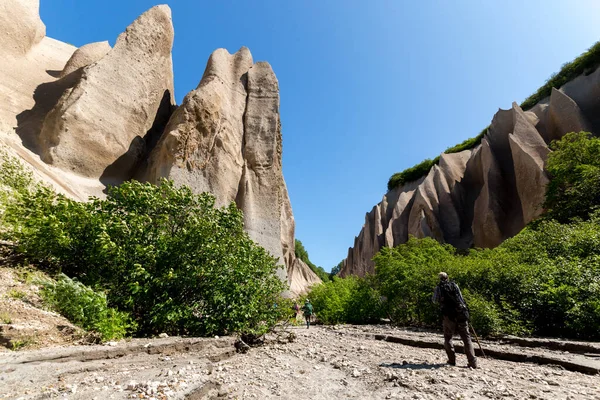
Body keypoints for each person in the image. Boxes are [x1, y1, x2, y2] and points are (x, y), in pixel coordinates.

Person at [432, 272, 477, 369]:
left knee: (448, 337)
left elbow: (434, 301)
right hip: (461, 314)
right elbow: (461, 299)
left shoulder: (438, 288)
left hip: (448, 316)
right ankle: (472, 362)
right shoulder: (454, 285)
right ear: (447, 277)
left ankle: (452, 360)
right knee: (466, 338)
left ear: (439, 279)